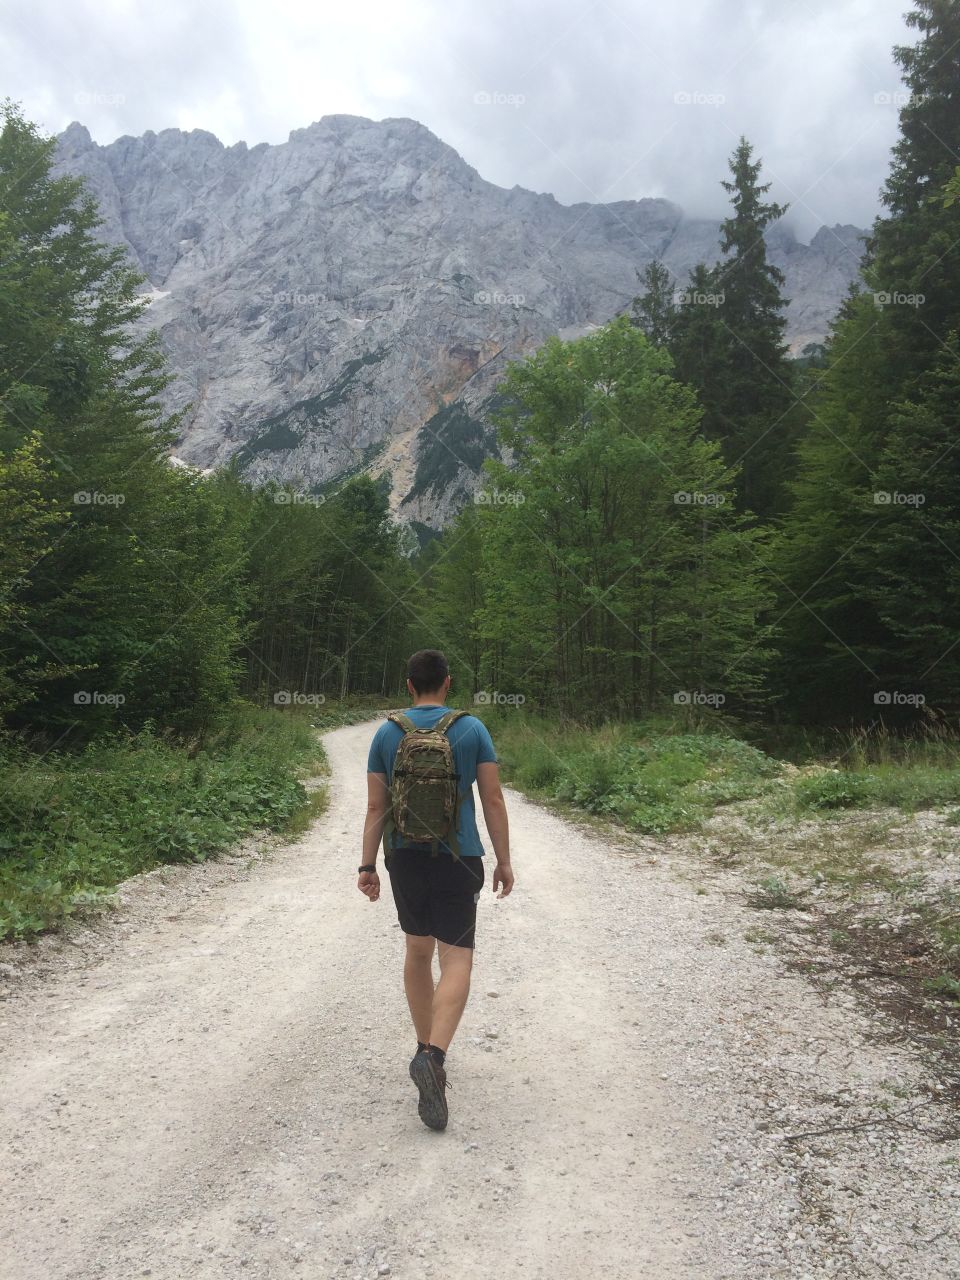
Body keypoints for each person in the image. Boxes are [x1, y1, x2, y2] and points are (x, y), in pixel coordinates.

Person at [358, 649, 514, 1131]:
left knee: (417, 952)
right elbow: (492, 797)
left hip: (403, 855)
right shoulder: (472, 729)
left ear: (408, 686)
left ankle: (425, 1046)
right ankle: (434, 1055)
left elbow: (373, 808)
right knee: (458, 957)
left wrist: (367, 865)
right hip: (458, 854)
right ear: (448, 683)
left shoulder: (387, 732)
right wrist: (504, 860)